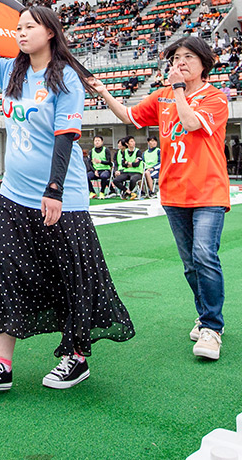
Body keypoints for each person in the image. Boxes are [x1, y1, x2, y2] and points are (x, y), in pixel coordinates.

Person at [0, 0, 133, 393]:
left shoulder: (67, 78)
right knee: (4, 273)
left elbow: (65, 137)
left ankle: (76, 357)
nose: (21, 34)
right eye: (18, 28)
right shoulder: (11, 70)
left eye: (29, 27)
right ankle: (0, 365)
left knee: (72, 277)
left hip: (61, 199)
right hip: (12, 196)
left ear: (51, 32)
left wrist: (53, 189)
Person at [91, 36, 231, 361]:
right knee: (190, 264)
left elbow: (191, 122)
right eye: (175, 58)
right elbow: (129, 116)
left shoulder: (215, 98)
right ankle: (204, 315)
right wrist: (104, 93)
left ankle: (212, 327)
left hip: (208, 190)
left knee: (204, 255)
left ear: (204, 63)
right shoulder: (162, 96)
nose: (180, 62)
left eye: (188, 57)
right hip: (173, 191)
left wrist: (178, 89)